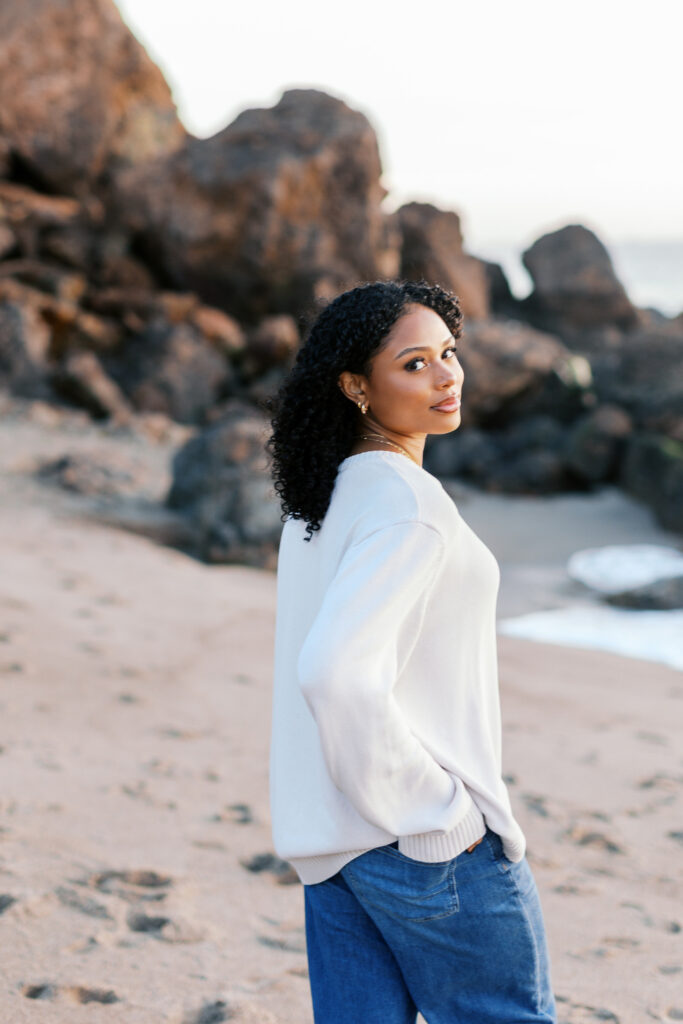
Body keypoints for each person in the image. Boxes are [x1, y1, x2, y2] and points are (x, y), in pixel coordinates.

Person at [265, 280, 557, 1023]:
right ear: (355, 386)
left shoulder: (321, 501)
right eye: (414, 363)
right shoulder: (406, 505)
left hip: (333, 847)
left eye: (448, 354)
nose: (445, 376)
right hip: (421, 846)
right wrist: (439, 817)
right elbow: (333, 673)